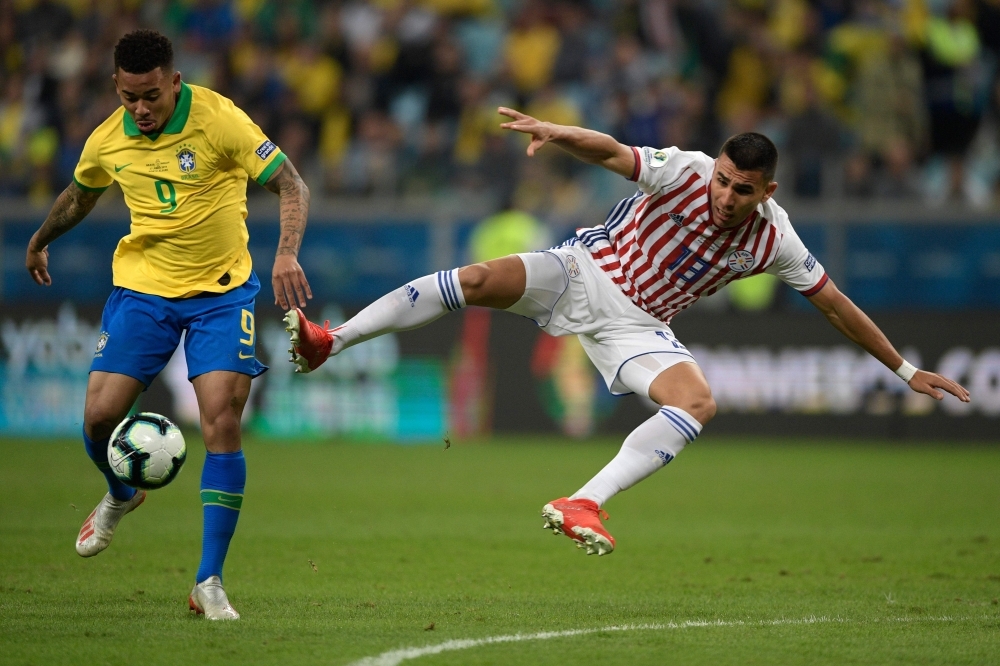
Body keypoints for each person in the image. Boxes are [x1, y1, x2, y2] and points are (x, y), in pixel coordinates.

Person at [285, 108, 970, 557]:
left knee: (698, 401)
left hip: (638, 324)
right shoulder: (686, 171)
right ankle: (328, 341)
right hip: (583, 268)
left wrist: (906, 372)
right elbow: (612, 151)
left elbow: (835, 304)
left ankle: (583, 502)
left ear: (769, 190)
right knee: (472, 279)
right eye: (725, 181)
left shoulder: (776, 241)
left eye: (742, 189)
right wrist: (555, 132)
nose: (725, 196)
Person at [24, 30, 313, 618]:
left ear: (173, 81)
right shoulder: (108, 138)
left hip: (222, 293)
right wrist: (39, 241)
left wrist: (285, 252)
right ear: (117, 87)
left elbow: (290, 182)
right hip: (144, 290)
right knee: (100, 417)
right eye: (130, 96)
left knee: (222, 422)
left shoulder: (218, 119)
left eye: (151, 95)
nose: (141, 108)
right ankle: (121, 493)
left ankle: (208, 582)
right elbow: (80, 197)